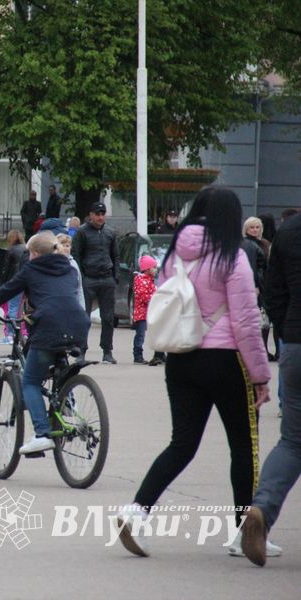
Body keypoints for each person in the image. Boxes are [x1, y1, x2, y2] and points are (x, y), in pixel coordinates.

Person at [115, 187, 274, 559]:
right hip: (225, 359)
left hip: (181, 355)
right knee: (243, 445)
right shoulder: (232, 256)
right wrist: (260, 374)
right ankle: (243, 531)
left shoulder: (174, 254)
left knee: (182, 443)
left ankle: (137, 509)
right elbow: (247, 321)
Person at [0, 232, 89, 454]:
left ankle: (42, 433)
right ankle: (64, 403)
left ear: (34, 253)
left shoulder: (31, 270)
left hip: (49, 327)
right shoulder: (70, 269)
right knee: (57, 368)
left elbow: (3, 293)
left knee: (31, 381)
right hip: (78, 326)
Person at [242, 210, 301, 566]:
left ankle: (262, 508)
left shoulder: (290, 230)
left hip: (295, 343)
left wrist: (286, 331)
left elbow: (274, 292)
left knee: (293, 441)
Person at [72, 202, 119, 364]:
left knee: (108, 318)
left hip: (107, 278)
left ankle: (107, 351)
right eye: (97, 214)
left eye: (102, 214)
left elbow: (115, 256)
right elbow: (76, 255)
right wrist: (81, 278)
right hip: (88, 278)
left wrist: (115, 277)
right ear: (90, 215)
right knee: (83, 317)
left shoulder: (110, 233)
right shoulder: (81, 232)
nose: (100, 217)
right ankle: (81, 349)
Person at [244, 216, 275, 361]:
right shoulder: (249, 245)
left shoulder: (263, 243)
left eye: (257, 227)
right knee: (260, 318)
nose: (255, 230)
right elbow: (252, 267)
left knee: (264, 320)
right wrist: (255, 285)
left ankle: (263, 348)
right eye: (252, 227)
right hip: (258, 285)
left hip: (264, 284)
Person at [0, 229, 28, 344]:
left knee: (12, 308)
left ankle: (10, 335)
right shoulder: (27, 249)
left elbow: (5, 270)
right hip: (27, 282)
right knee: (23, 310)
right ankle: (24, 334)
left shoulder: (11, 250)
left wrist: (2, 285)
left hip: (14, 282)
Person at [131, 256, 157, 364]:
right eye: (154, 267)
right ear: (147, 269)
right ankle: (137, 355)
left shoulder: (150, 280)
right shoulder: (141, 280)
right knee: (140, 334)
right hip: (141, 313)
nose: (156, 269)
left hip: (149, 312)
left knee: (152, 333)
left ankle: (158, 353)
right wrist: (155, 299)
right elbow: (144, 296)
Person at [55, 233, 84, 311]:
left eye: (67, 246)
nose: (65, 248)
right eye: (62, 245)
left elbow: (79, 286)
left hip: (72, 303)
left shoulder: (74, 263)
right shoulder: (53, 263)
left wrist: (82, 307)